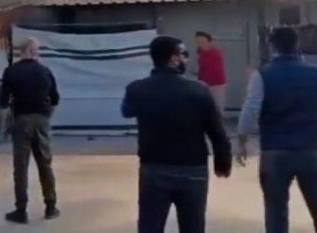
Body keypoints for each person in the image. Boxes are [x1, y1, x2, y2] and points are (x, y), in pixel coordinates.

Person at [122, 35, 231, 233]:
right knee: (193, 227)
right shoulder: (199, 90)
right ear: (173, 58)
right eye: (184, 54)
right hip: (193, 170)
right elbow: (216, 130)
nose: (187, 59)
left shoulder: (137, 89)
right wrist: (223, 161)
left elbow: (126, 111)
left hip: (153, 168)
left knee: (150, 227)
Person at [237, 27, 317, 233]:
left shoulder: (262, 75)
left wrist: (242, 140)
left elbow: (251, 108)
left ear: (273, 46)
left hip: (274, 152)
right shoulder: (313, 73)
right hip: (311, 151)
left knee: (276, 211)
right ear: (297, 44)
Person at [0, 38, 61, 224]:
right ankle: (50, 207)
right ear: (32, 51)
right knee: (45, 165)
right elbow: (55, 100)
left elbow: (3, 105)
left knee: (21, 168)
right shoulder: (45, 72)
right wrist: (45, 119)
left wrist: (4, 127)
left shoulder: (11, 72)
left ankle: (21, 210)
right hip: (41, 120)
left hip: (20, 121)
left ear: (21, 51)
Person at [195, 31, 228, 114]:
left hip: (217, 84)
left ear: (208, 42)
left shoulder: (214, 53)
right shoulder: (201, 53)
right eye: (198, 41)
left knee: (217, 108)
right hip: (204, 84)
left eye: (202, 41)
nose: (200, 43)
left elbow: (209, 67)